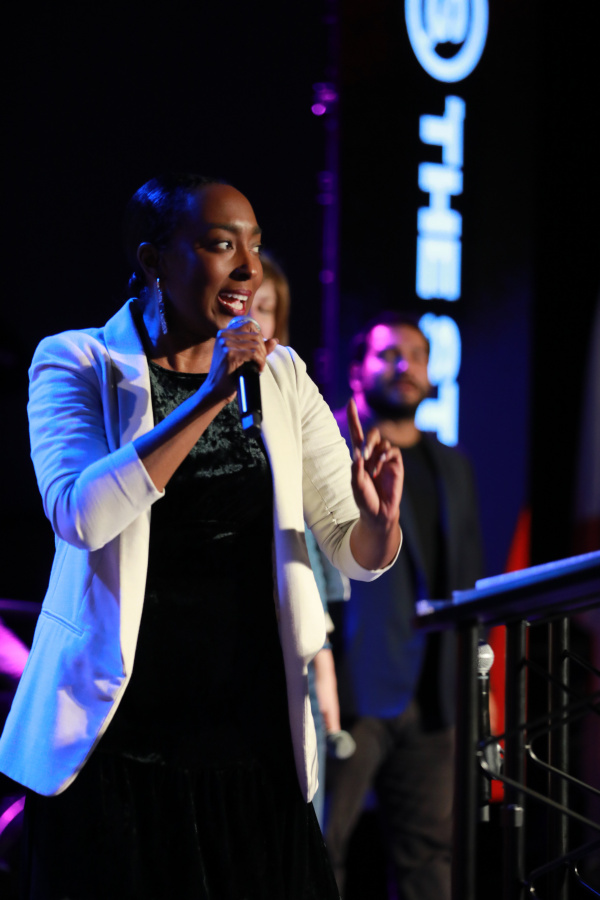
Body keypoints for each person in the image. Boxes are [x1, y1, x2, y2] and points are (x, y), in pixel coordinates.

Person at [0, 174, 403, 900]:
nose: (249, 268)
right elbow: (81, 515)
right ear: (154, 260)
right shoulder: (76, 361)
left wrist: (379, 523)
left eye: (255, 245)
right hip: (114, 745)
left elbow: (353, 551)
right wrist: (210, 396)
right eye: (221, 245)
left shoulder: (281, 374)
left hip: (252, 740)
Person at [325, 311, 484, 900]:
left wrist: (474, 686)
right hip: (352, 688)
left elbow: (466, 576)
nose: (406, 367)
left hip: (435, 695)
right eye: (389, 354)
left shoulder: (453, 466)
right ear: (357, 369)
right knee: (320, 849)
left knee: (428, 860)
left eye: (417, 356)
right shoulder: (329, 451)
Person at [252, 254, 349, 828]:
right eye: (243, 303)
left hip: (295, 645)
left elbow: (313, 547)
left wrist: (325, 665)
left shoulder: (293, 403)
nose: (253, 317)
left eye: (266, 307)